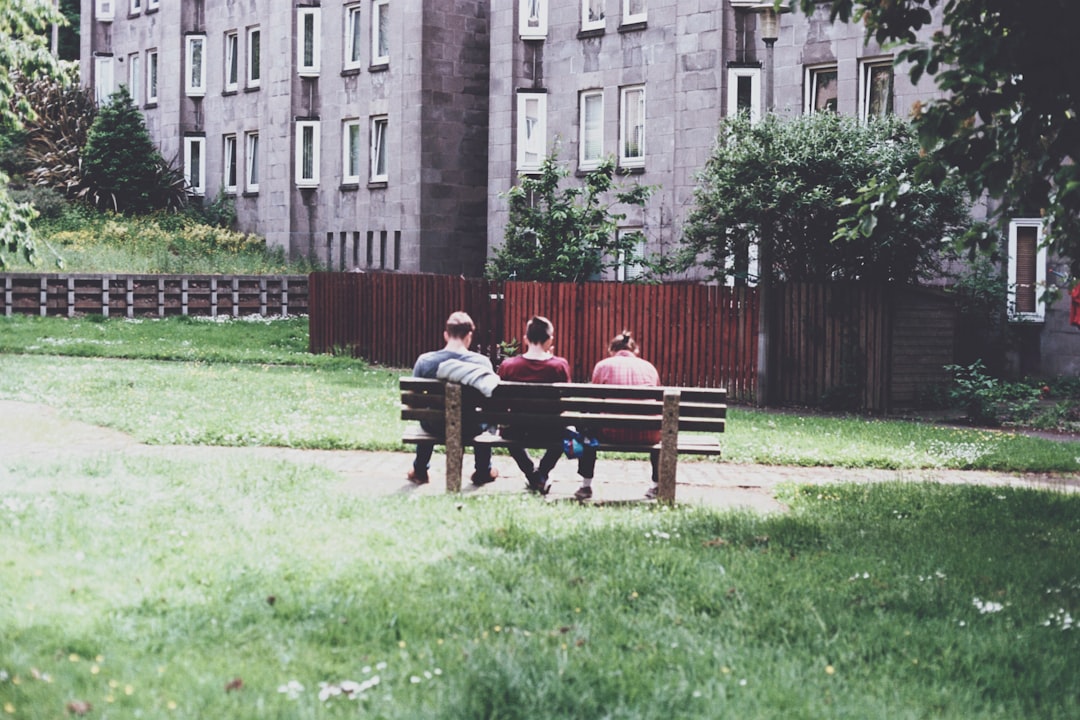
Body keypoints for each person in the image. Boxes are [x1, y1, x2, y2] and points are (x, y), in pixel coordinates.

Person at [408, 311, 499, 487]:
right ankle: (483, 470)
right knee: (485, 419)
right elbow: (490, 402)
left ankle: (420, 471)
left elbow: (413, 401)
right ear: (469, 336)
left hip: (436, 426)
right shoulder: (482, 363)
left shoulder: (425, 361)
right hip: (471, 426)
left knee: (429, 414)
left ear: (446, 335)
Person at [574, 331, 662, 501]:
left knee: (587, 421)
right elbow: (658, 402)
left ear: (611, 350)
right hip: (648, 435)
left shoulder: (602, 366)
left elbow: (594, 402)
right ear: (635, 350)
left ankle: (586, 485)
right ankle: (657, 485)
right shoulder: (649, 367)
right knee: (654, 422)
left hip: (610, 432)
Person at [496, 315, 571, 495]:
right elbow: (565, 400)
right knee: (565, 432)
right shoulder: (559, 366)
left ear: (525, 339)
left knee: (506, 431)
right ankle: (542, 473)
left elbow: (500, 401)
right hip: (551, 430)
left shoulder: (509, 366)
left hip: (517, 429)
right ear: (550, 340)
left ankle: (531, 473)